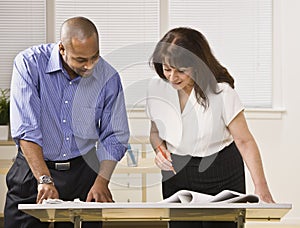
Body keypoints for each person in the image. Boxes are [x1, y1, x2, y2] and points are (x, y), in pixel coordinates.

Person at [5, 16, 130, 228]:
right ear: (62, 49)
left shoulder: (108, 77)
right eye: (81, 60)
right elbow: (26, 130)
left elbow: (114, 136)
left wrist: (101, 181)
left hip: (83, 172)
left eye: (95, 57)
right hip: (33, 168)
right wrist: (44, 180)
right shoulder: (29, 64)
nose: (90, 66)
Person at [146, 27, 274, 228]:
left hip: (221, 170)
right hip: (177, 173)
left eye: (181, 70)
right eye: (167, 69)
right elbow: (155, 132)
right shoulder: (157, 88)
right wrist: (159, 150)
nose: (172, 77)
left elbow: (244, 141)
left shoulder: (221, 91)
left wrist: (261, 187)